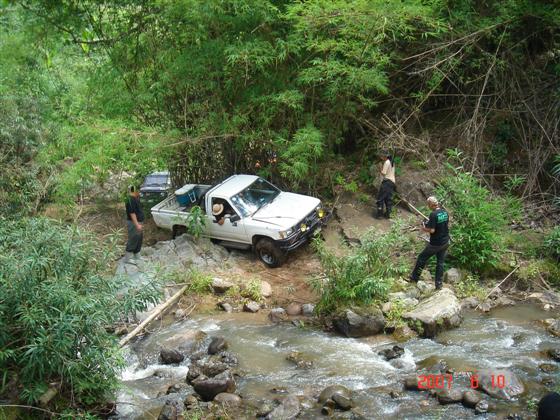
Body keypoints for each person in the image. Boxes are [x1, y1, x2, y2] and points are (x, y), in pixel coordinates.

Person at [409, 196, 450, 289]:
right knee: (440, 262)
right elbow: (443, 224)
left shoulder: (433, 214)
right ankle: (439, 284)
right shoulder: (445, 212)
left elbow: (432, 230)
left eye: (428, 204)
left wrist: (424, 228)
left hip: (436, 243)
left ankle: (414, 279)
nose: (428, 206)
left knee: (421, 258)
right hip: (445, 241)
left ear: (431, 205)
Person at [125, 185, 144, 263]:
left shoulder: (135, 198)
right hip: (133, 223)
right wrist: (137, 224)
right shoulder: (130, 199)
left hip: (139, 222)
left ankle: (137, 254)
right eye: (138, 191)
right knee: (133, 238)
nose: (139, 192)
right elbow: (132, 213)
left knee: (139, 238)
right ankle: (128, 258)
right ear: (134, 191)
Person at [375, 151, 396, 219]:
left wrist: (380, 168)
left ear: (384, 156)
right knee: (388, 199)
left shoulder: (387, 162)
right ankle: (388, 214)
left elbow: (383, 173)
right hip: (392, 182)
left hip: (387, 182)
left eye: (381, 156)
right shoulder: (392, 162)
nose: (381, 157)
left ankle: (379, 214)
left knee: (380, 198)